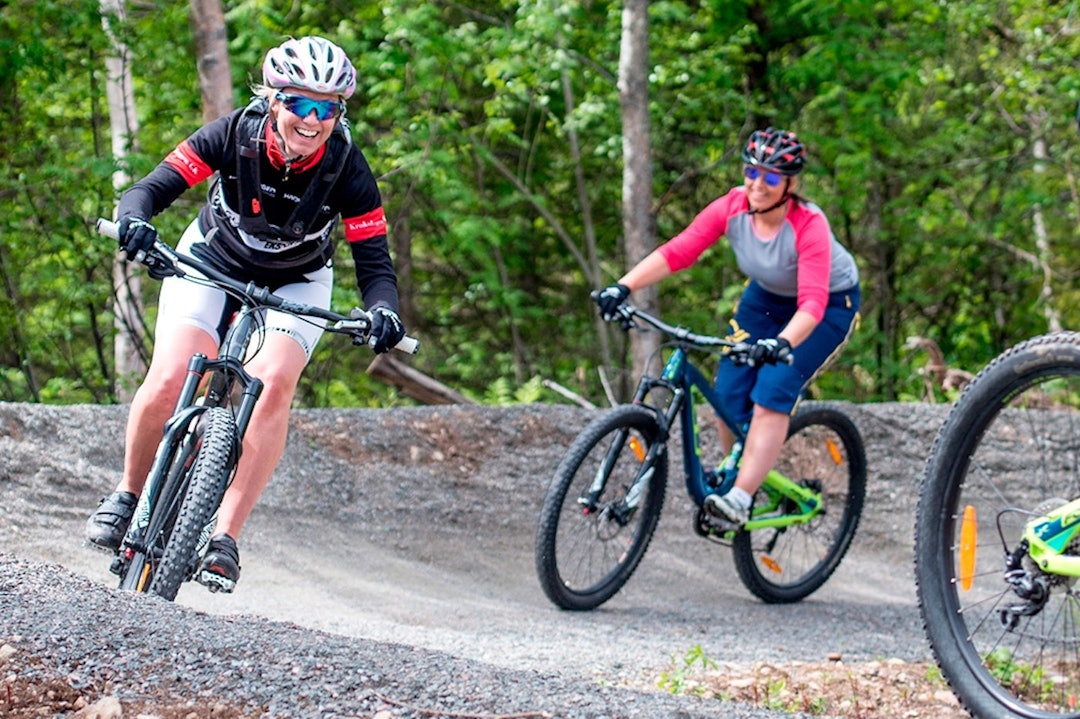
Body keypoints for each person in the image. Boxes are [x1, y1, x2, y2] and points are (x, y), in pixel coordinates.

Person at [86, 36, 407, 592]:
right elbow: (151, 189)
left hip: (300, 280)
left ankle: (225, 538)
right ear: (274, 99)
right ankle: (128, 493)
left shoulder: (349, 169)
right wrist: (135, 223)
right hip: (210, 257)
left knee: (274, 382)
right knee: (172, 374)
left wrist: (383, 312)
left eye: (326, 108)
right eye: (300, 103)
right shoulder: (234, 133)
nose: (312, 119)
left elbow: (375, 265)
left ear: (339, 113)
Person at [594, 127, 859, 527]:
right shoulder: (732, 206)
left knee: (773, 389)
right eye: (751, 173)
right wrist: (623, 285)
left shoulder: (808, 224)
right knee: (729, 393)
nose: (758, 184)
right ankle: (738, 471)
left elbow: (812, 304)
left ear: (790, 183)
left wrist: (781, 343)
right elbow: (679, 250)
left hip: (827, 305)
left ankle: (739, 498)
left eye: (771, 178)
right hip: (766, 298)